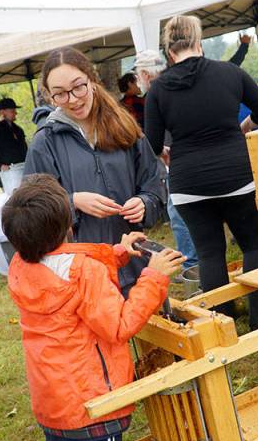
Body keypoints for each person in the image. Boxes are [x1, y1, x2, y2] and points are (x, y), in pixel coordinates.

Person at [2, 174, 183, 441]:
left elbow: (70, 258)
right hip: (93, 407)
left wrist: (118, 252)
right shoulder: (82, 273)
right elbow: (119, 326)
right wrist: (153, 277)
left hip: (53, 404)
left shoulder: (22, 264)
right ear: (67, 225)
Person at [144, 15, 258, 329]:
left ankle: (222, 323)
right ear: (198, 41)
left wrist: (170, 152)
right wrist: (242, 128)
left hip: (188, 182)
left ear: (169, 49)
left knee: (209, 253)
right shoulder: (228, 72)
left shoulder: (158, 89)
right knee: (255, 245)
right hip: (237, 175)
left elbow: (151, 143)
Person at [24, 47, 165, 294]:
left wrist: (145, 202)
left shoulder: (124, 127)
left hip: (135, 263)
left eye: (78, 87)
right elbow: (29, 211)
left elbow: (154, 179)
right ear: (50, 97)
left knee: (147, 327)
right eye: (61, 94)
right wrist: (72, 201)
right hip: (84, 275)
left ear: (92, 80)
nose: (73, 99)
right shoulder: (45, 143)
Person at [133, 49, 198, 271]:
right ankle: (198, 263)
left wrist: (162, 150)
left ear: (146, 74)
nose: (137, 80)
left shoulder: (155, 93)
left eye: (138, 75)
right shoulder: (179, 86)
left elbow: (155, 140)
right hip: (192, 158)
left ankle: (192, 265)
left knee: (178, 215)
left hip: (177, 162)